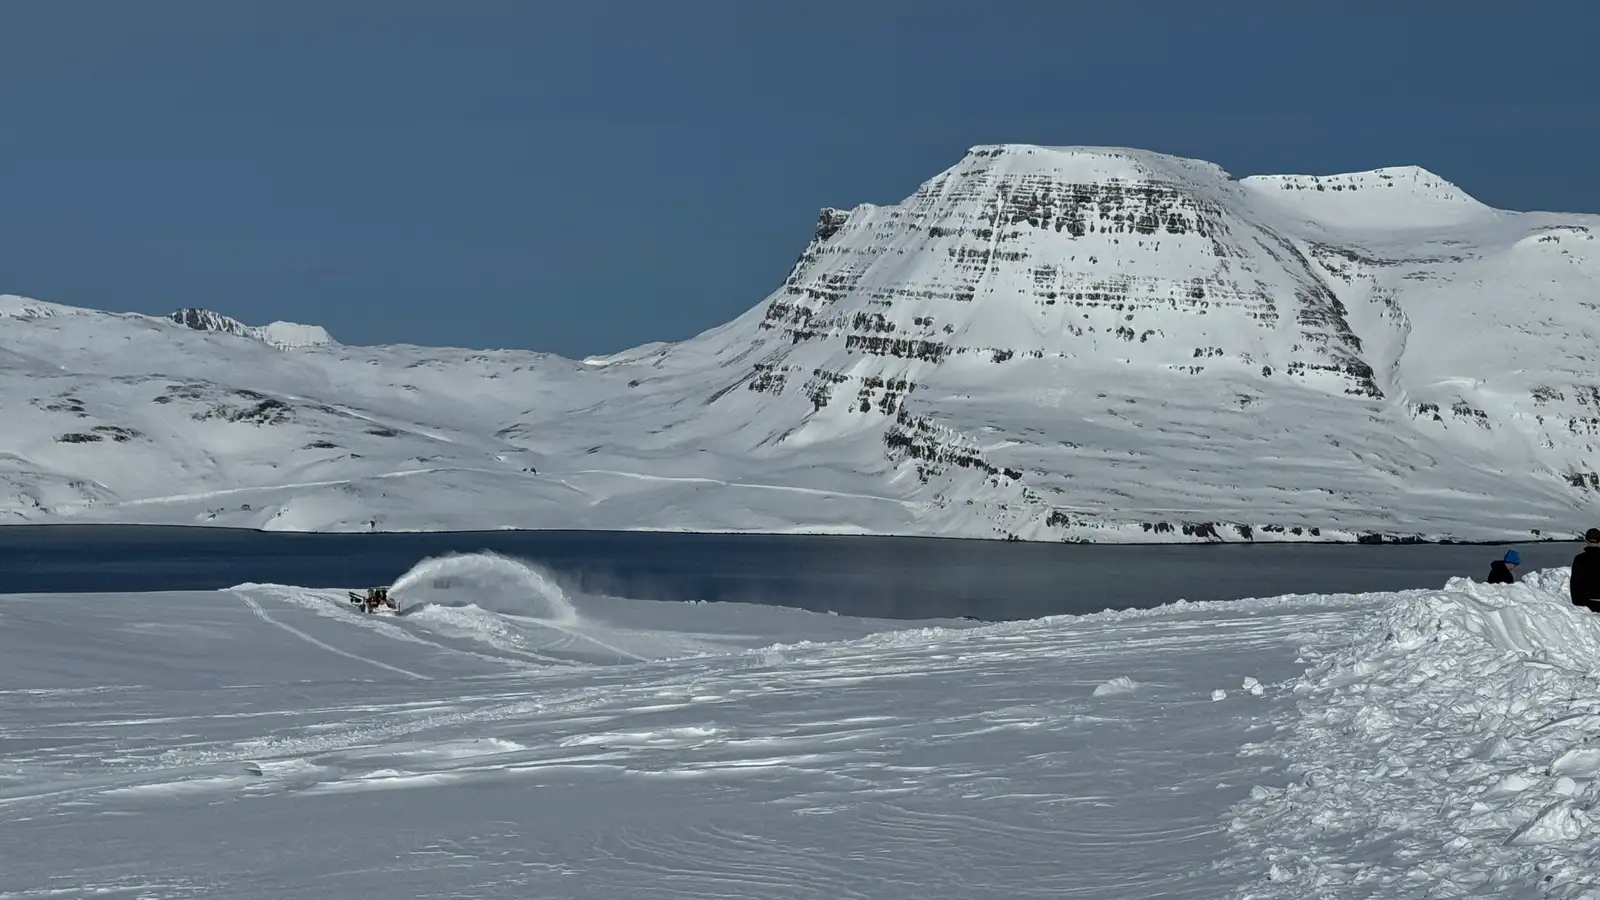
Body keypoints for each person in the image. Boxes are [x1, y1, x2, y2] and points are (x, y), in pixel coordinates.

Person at [1572, 528, 1600, 611]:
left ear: (1586, 540)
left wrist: (1577, 602)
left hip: (1587, 604)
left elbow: (1575, 582)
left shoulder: (1579, 559)